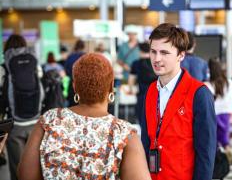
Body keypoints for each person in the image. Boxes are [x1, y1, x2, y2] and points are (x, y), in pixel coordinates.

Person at [18, 53, 151, 180]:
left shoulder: (49, 120)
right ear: (111, 87)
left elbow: (25, 175)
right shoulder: (124, 133)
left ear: (74, 87)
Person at [141, 23, 216, 180]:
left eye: (164, 53)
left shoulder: (199, 94)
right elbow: (145, 143)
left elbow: (206, 153)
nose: (157, 59)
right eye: (153, 52)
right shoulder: (150, 92)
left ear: (181, 55)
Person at [1, 34, 44, 180]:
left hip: (15, 125)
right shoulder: (34, 64)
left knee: (17, 168)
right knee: (36, 166)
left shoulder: (4, 68)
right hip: (36, 123)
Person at [205, 58, 232, 165]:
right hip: (226, 113)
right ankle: (227, 155)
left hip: (213, 114)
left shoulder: (207, 85)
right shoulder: (230, 83)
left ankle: (215, 161)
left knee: (213, 138)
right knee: (224, 138)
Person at [128, 42, 157, 123]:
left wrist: (131, 90)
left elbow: (131, 79)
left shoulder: (136, 63)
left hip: (142, 95)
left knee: (142, 118)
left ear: (140, 51)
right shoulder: (156, 63)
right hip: (156, 95)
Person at [65, 39, 85, 106]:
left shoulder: (70, 56)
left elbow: (66, 70)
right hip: (84, 84)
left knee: (72, 104)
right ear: (83, 46)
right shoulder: (86, 57)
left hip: (72, 83)